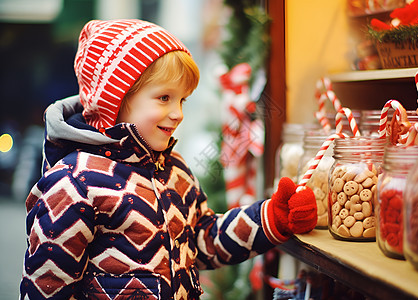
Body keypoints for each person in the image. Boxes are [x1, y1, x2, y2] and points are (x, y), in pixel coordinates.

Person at [19, 19, 317, 299]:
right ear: (116, 99)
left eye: (182, 99)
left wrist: (271, 218)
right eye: (164, 98)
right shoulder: (73, 183)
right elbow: (46, 287)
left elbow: (204, 241)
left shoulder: (174, 169)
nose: (178, 113)